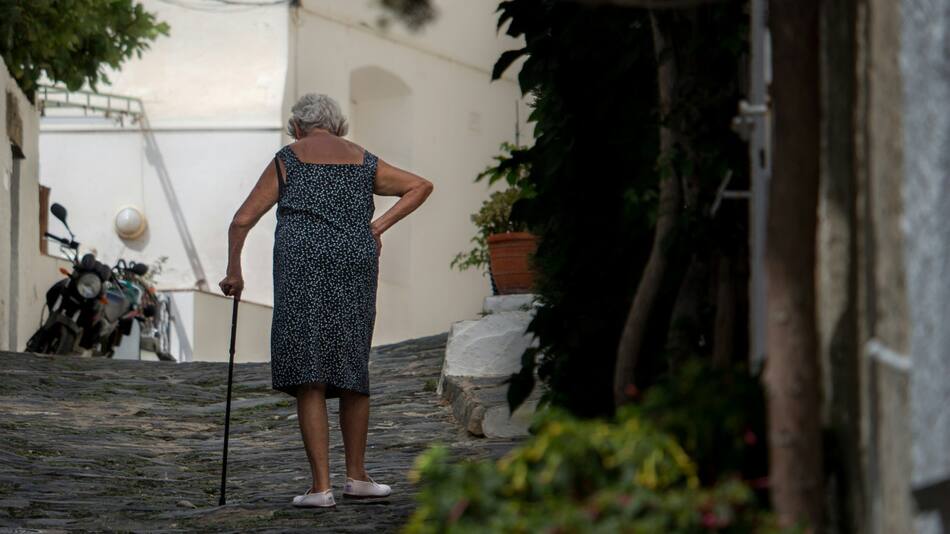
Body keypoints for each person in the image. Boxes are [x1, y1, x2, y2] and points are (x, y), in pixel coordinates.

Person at [218, 93, 434, 508]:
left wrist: (235, 272)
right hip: (354, 262)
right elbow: (420, 186)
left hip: (301, 265)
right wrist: (377, 226)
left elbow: (242, 220)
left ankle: (321, 488)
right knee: (352, 363)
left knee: (308, 370)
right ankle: (358, 476)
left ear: (297, 127)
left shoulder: (289, 158)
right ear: (337, 126)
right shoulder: (362, 158)